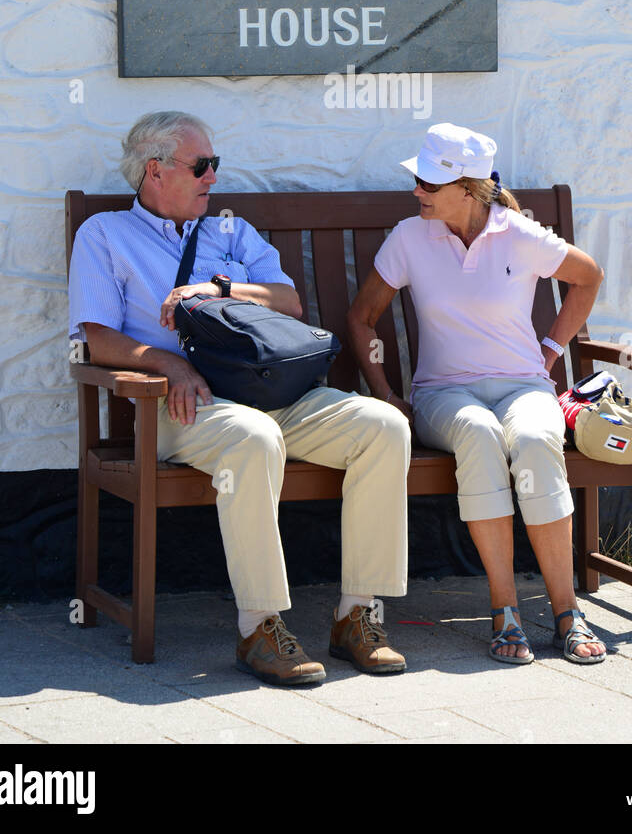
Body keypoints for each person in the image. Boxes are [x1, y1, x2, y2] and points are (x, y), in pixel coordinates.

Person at [68, 110, 410, 685]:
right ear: (155, 170)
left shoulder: (231, 231)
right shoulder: (104, 235)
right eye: (202, 166)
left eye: (214, 165)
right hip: (180, 405)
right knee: (254, 438)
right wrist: (168, 363)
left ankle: (357, 615)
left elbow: (287, 301)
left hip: (271, 391)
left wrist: (217, 287)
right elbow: (96, 336)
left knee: (384, 428)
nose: (213, 178)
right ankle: (259, 626)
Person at [347, 122, 607, 665]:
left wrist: (552, 351)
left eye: (427, 182)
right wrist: (386, 392)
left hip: (524, 387)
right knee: (479, 432)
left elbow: (588, 276)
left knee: (537, 437)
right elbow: (362, 318)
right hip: (444, 395)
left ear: (467, 189)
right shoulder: (409, 237)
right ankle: (504, 608)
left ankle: (567, 612)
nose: (416, 189)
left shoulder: (519, 233)